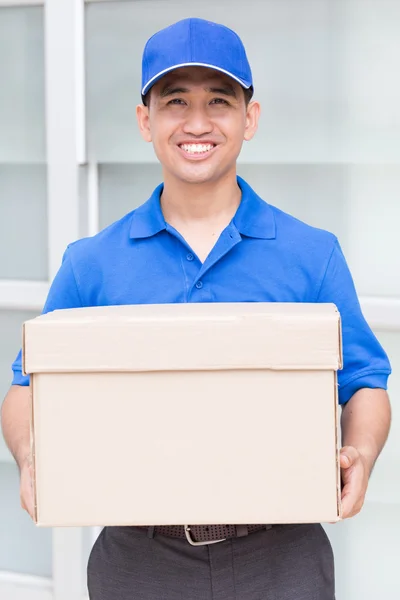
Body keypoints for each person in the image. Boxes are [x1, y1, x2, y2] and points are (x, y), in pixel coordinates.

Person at [1, 17, 392, 600]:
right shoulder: (91, 264)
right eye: (175, 101)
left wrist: (360, 453)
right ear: (145, 121)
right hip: (138, 559)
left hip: (282, 558)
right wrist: (32, 454)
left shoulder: (313, 254)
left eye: (219, 101)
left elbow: (365, 381)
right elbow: (26, 385)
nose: (198, 123)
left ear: (249, 119)